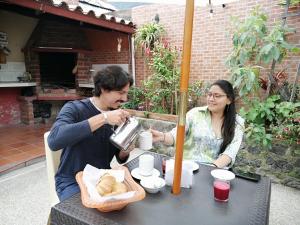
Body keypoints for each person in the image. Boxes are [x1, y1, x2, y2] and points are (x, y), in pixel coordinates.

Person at [48, 65, 133, 201]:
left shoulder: (117, 116)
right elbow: (54, 141)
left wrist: (126, 148)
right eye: (121, 93)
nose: (125, 99)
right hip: (72, 181)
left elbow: (119, 157)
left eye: (126, 93)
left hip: (103, 178)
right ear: (104, 89)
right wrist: (104, 118)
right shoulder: (74, 108)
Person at [151, 80, 244, 168]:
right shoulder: (194, 114)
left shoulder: (237, 124)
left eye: (217, 96)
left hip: (211, 171)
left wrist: (209, 170)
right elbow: (176, 136)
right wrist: (162, 136)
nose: (211, 99)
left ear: (229, 100)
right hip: (184, 167)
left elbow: (229, 153)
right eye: (209, 95)